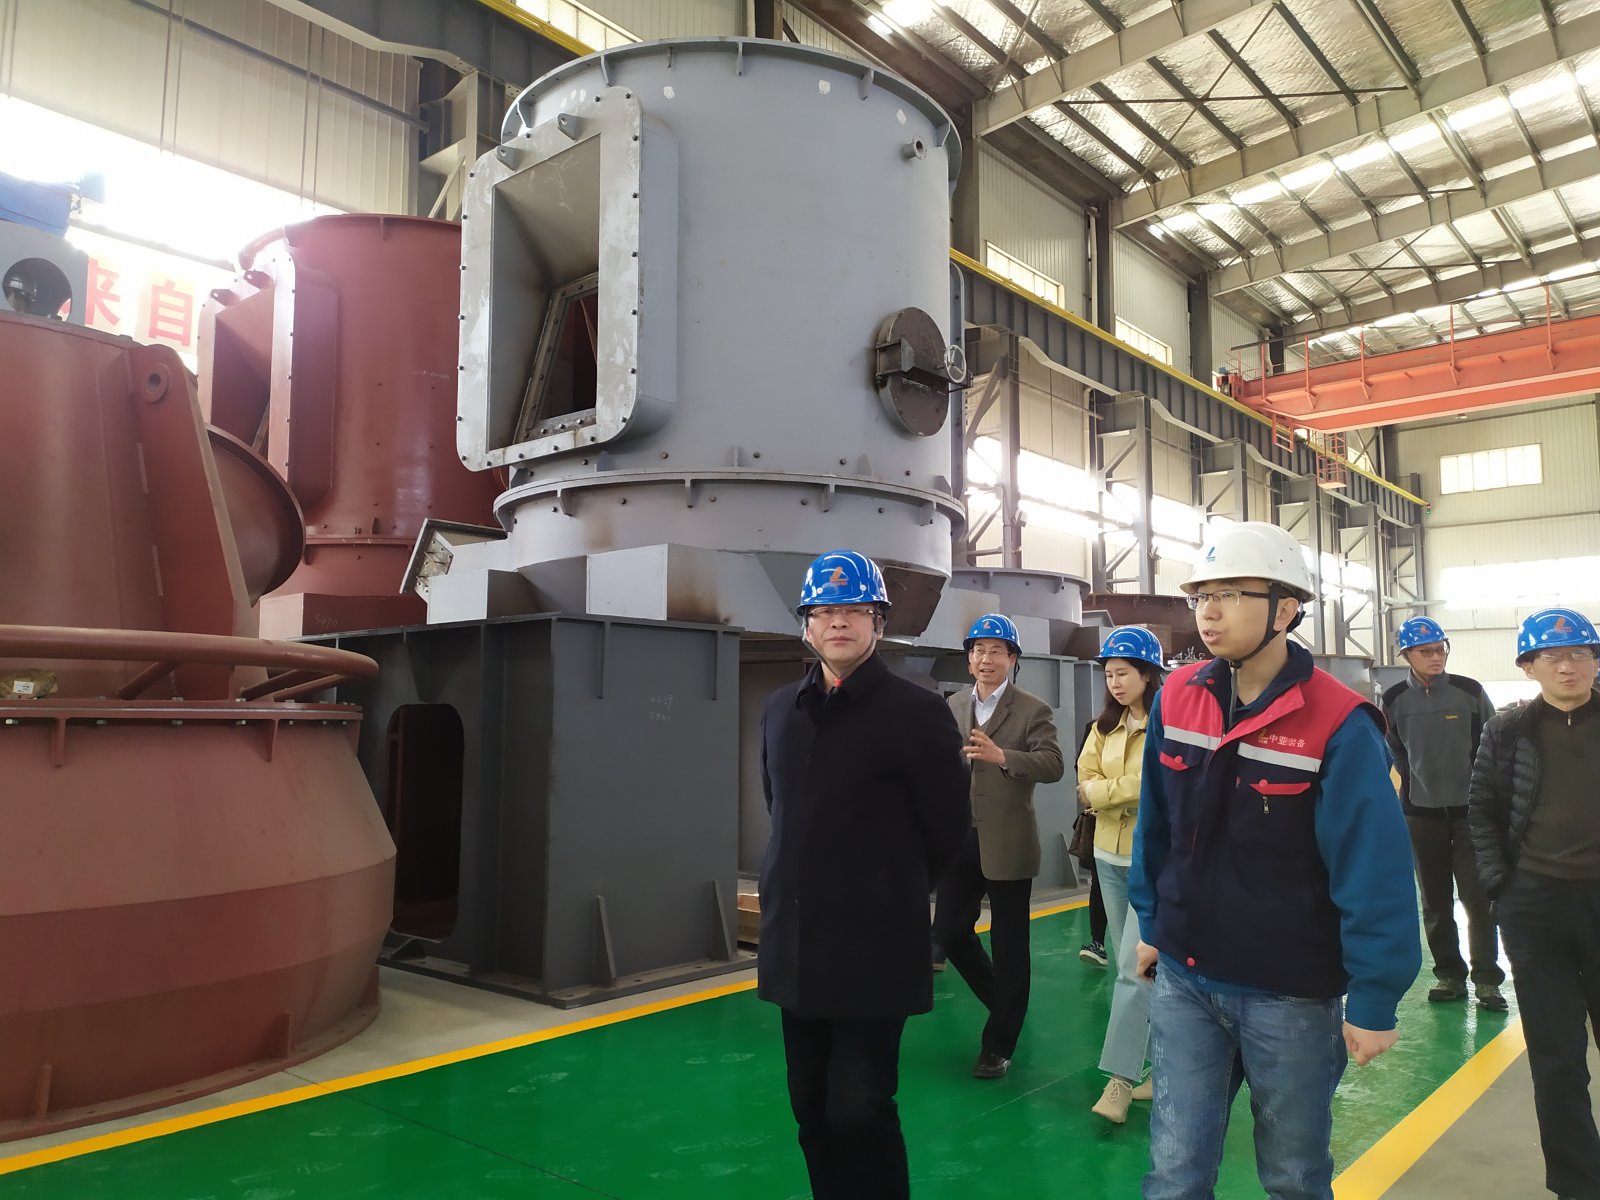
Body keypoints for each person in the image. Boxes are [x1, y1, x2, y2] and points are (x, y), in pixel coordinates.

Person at [1129, 520, 1421, 1200]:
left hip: (1289, 993)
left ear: (1285, 610)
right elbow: (1157, 824)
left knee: (1293, 1176)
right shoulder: (1177, 696)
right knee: (1174, 1172)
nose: (1208, 611)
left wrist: (1375, 995)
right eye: (1202, 595)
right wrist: (1151, 922)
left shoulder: (1339, 722)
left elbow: (1372, 867)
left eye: (1231, 594)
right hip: (1185, 978)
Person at [758, 549, 971, 1200]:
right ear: (806, 624)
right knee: (809, 1106)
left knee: (860, 1106)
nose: (838, 622)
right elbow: (780, 807)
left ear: (879, 622)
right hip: (797, 944)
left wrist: (886, 891)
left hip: (875, 945)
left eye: (854, 610)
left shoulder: (917, 712)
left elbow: (947, 828)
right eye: (825, 610)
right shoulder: (780, 709)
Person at [1469, 606, 1600, 1200]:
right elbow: (1482, 810)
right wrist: (1503, 886)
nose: (1566, 666)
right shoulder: (1508, 730)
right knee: (1556, 1054)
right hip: (1536, 908)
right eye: (1550, 656)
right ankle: (1578, 1184)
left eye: (1578, 654)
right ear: (1529, 667)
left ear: (1595, 661)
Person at [933, 613, 1064, 1079]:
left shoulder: (1032, 709)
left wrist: (1002, 756)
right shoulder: (953, 705)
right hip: (961, 837)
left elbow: (1053, 764)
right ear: (969, 660)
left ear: (1012, 659)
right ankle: (1004, 1002)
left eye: (995, 651)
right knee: (949, 931)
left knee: (1010, 944)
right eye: (977, 651)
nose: (985, 659)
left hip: (1007, 839)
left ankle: (998, 1044)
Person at [1382, 616, 1506, 1010]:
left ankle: (1487, 979)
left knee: (1477, 899)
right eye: (1426, 651)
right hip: (1421, 814)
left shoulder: (1470, 692)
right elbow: (1392, 747)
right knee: (1434, 901)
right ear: (1407, 655)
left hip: (1471, 815)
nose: (1436, 657)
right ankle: (1449, 975)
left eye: (1441, 649)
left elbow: (1494, 743)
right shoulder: (1394, 699)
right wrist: (1410, 778)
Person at [1079, 625, 1165, 1123]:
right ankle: (1161, 1066)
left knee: (1136, 972)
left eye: (1123, 673)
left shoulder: (1168, 724)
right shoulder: (1103, 727)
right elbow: (1083, 777)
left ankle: (1119, 1079)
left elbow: (1154, 780)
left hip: (1150, 859)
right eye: (1109, 674)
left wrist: (1104, 793)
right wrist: (1112, 790)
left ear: (1147, 675)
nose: (1114, 682)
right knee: (1132, 969)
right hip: (1107, 857)